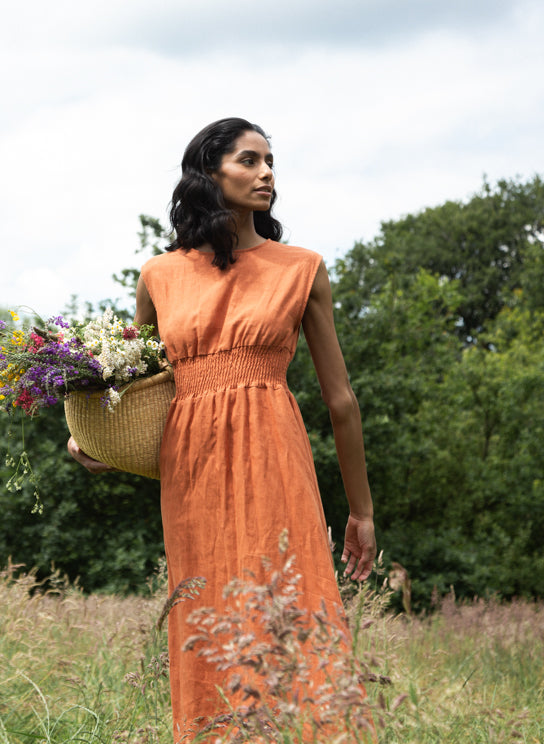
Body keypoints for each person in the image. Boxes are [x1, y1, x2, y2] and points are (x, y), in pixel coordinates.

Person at [68, 117, 377, 741]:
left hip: (274, 449)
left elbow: (341, 401)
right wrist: (96, 442)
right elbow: (141, 388)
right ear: (210, 173)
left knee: (290, 599)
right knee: (208, 611)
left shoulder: (303, 268)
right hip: (193, 464)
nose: (266, 173)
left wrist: (361, 512)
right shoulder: (159, 276)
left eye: (271, 162)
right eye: (249, 160)